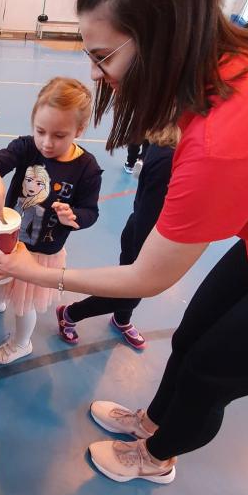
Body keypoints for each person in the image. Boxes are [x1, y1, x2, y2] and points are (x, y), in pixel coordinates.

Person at [0, 0, 248, 485]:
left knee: (210, 371)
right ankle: (154, 421)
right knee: (192, 335)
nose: (95, 73)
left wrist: (37, 272)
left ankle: (158, 457)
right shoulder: (230, 72)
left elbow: (146, 277)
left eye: (102, 55)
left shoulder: (223, 139)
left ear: (159, 36)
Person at [0, 78, 103, 364]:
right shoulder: (26, 147)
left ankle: (21, 343)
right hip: (10, 241)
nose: (46, 142)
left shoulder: (87, 168)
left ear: (79, 130)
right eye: (40, 131)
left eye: (59, 135)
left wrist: (74, 216)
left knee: (23, 303)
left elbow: (90, 212)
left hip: (40, 254)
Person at [57, 125, 179, 350]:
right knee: (131, 292)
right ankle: (70, 313)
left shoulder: (167, 148)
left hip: (145, 231)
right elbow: (149, 212)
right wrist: (147, 257)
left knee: (132, 288)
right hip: (145, 236)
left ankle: (121, 319)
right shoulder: (168, 157)